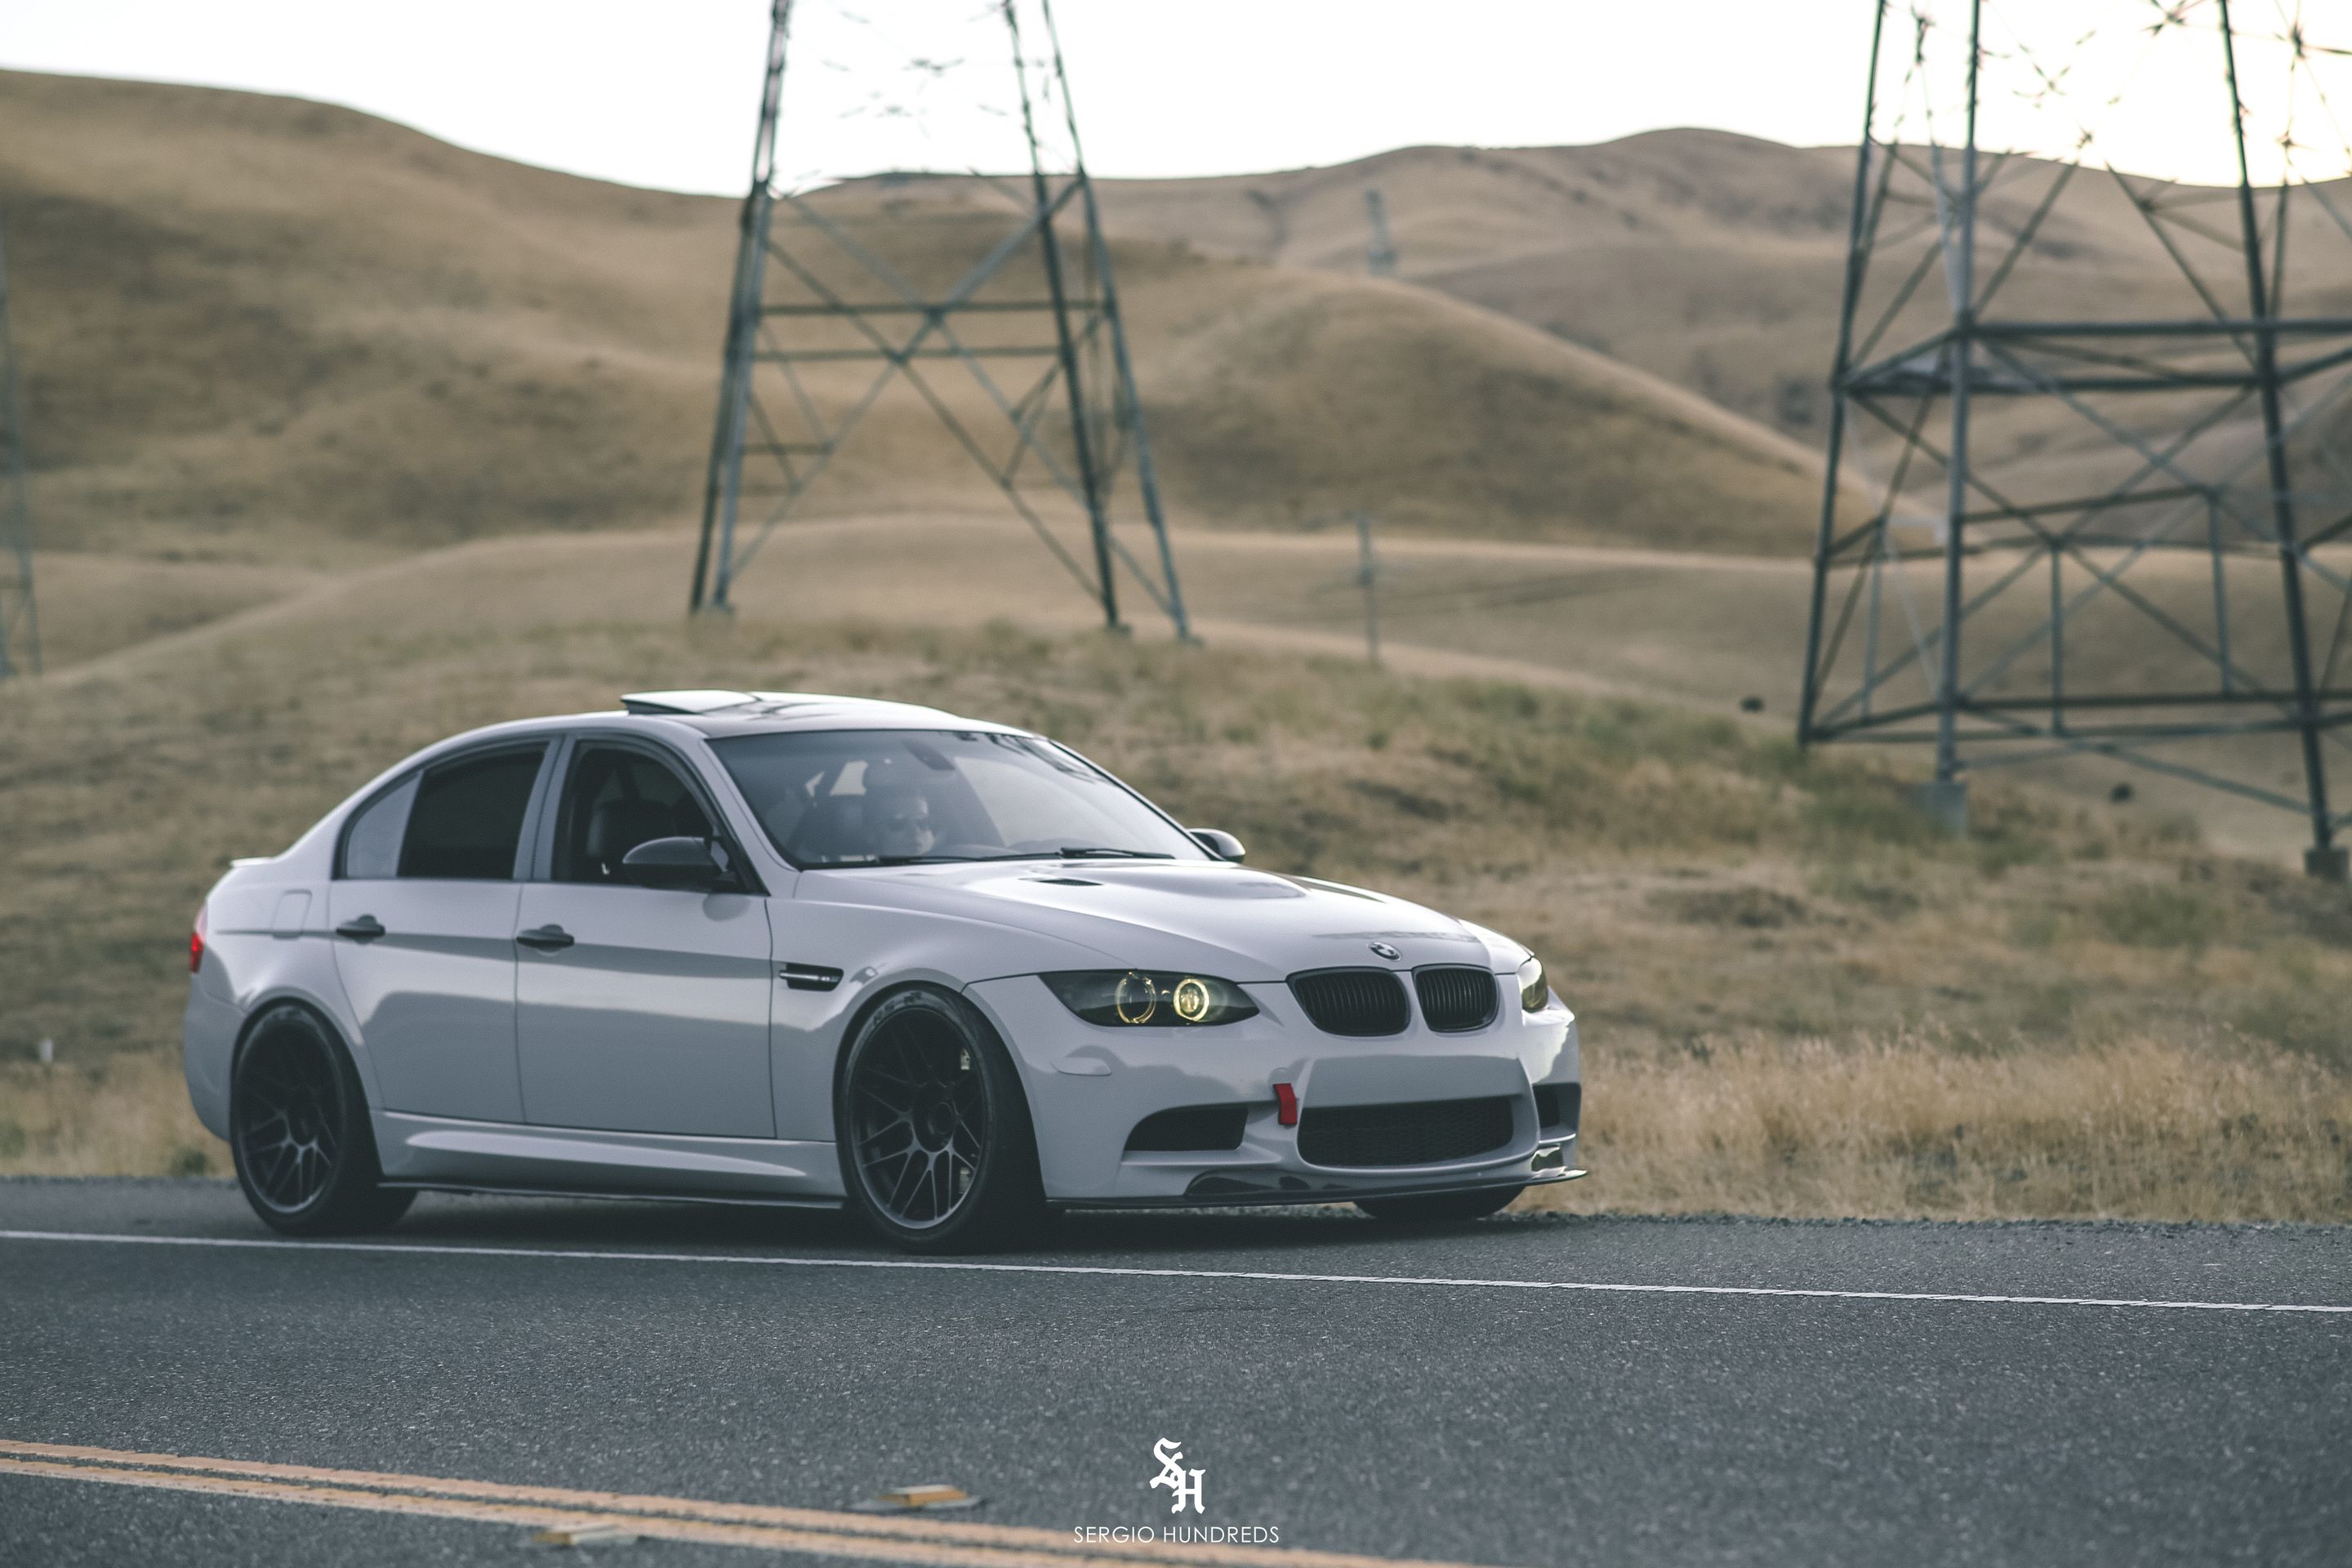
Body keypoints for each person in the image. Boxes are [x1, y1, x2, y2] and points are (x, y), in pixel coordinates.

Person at [863, 775, 936, 859]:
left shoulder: (948, 866)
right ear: (870, 833)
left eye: (923, 821)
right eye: (898, 822)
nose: (915, 831)